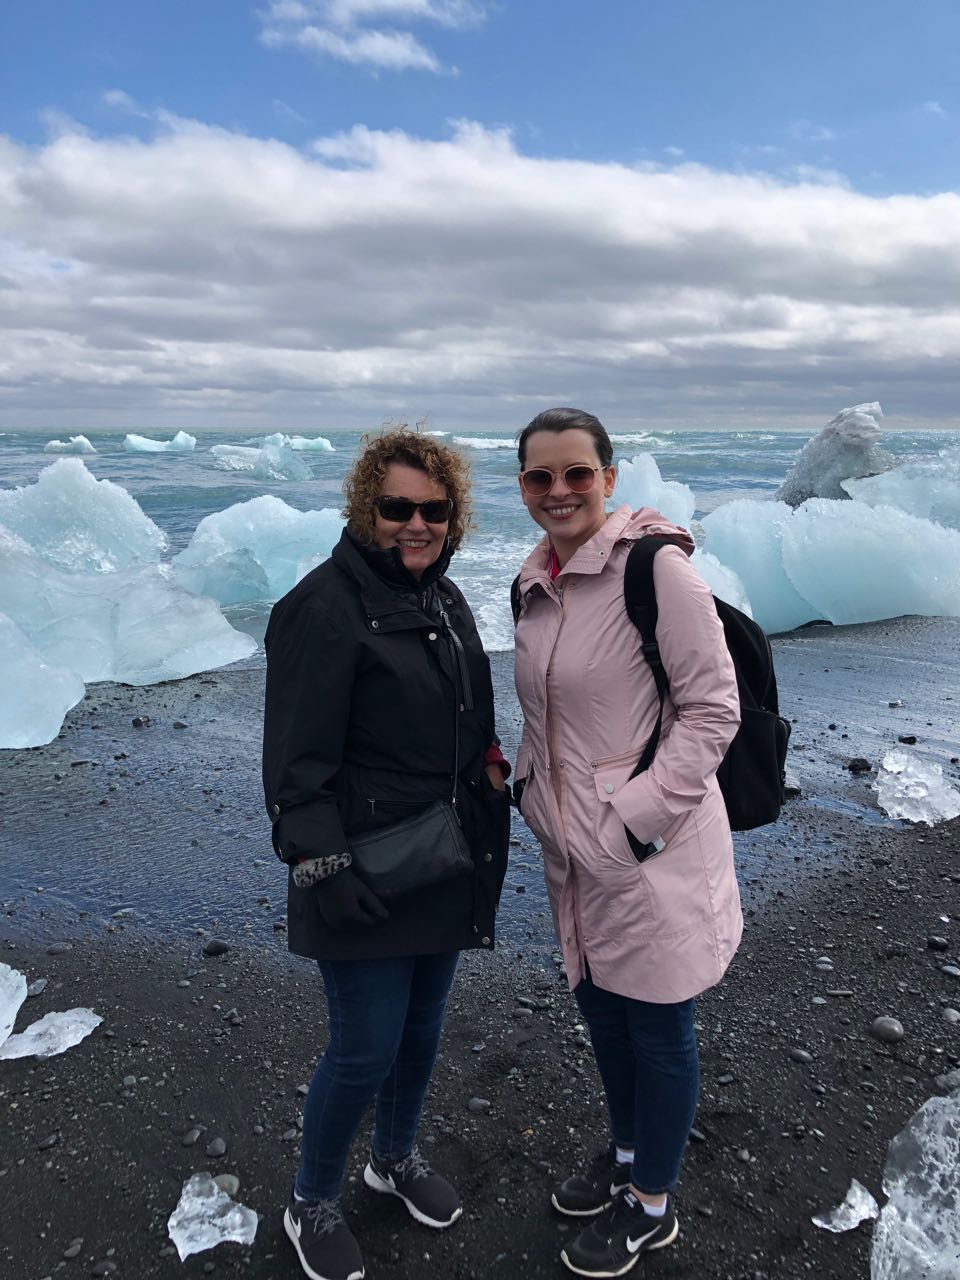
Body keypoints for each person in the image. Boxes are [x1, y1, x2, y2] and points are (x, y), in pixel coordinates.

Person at [263, 428, 510, 1280]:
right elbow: (295, 764)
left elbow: (470, 715)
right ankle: (312, 1201)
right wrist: (319, 866)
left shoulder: (445, 598)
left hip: (443, 856)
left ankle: (393, 1159)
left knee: (420, 1031)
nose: (417, 524)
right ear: (366, 510)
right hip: (364, 866)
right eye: (397, 507)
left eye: (433, 510)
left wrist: (487, 766)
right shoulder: (321, 607)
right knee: (363, 1046)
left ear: (454, 517)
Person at [511, 407, 742, 1278]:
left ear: (609, 478)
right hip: (570, 847)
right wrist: (529, 787)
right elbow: (547, 715)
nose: (560, 491)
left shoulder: (658, 572)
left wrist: (632, 818)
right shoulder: (535, 583)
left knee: (658, 1022)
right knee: (602, 1009)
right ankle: (623, 1156)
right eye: (541, 477)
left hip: (651, 847)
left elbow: (713, 708)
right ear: (524, 488)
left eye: (577, 473)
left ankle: (652, 1205)